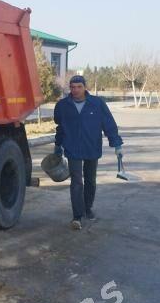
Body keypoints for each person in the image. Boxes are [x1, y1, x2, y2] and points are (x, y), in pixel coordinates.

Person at [53, 75, 123, 230]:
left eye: (79, 87)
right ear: (69, 88)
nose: (75, 90)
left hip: (92, 147)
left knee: (90, 180)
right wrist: (58, 146)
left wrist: (117, 144)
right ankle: (77, 216)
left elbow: (109, 124)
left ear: (85, 87)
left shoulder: (97, 104)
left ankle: (87, 208)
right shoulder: (63, 105)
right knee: (77, 182)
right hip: (72, 148)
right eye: (72, 87)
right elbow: (60, 127)